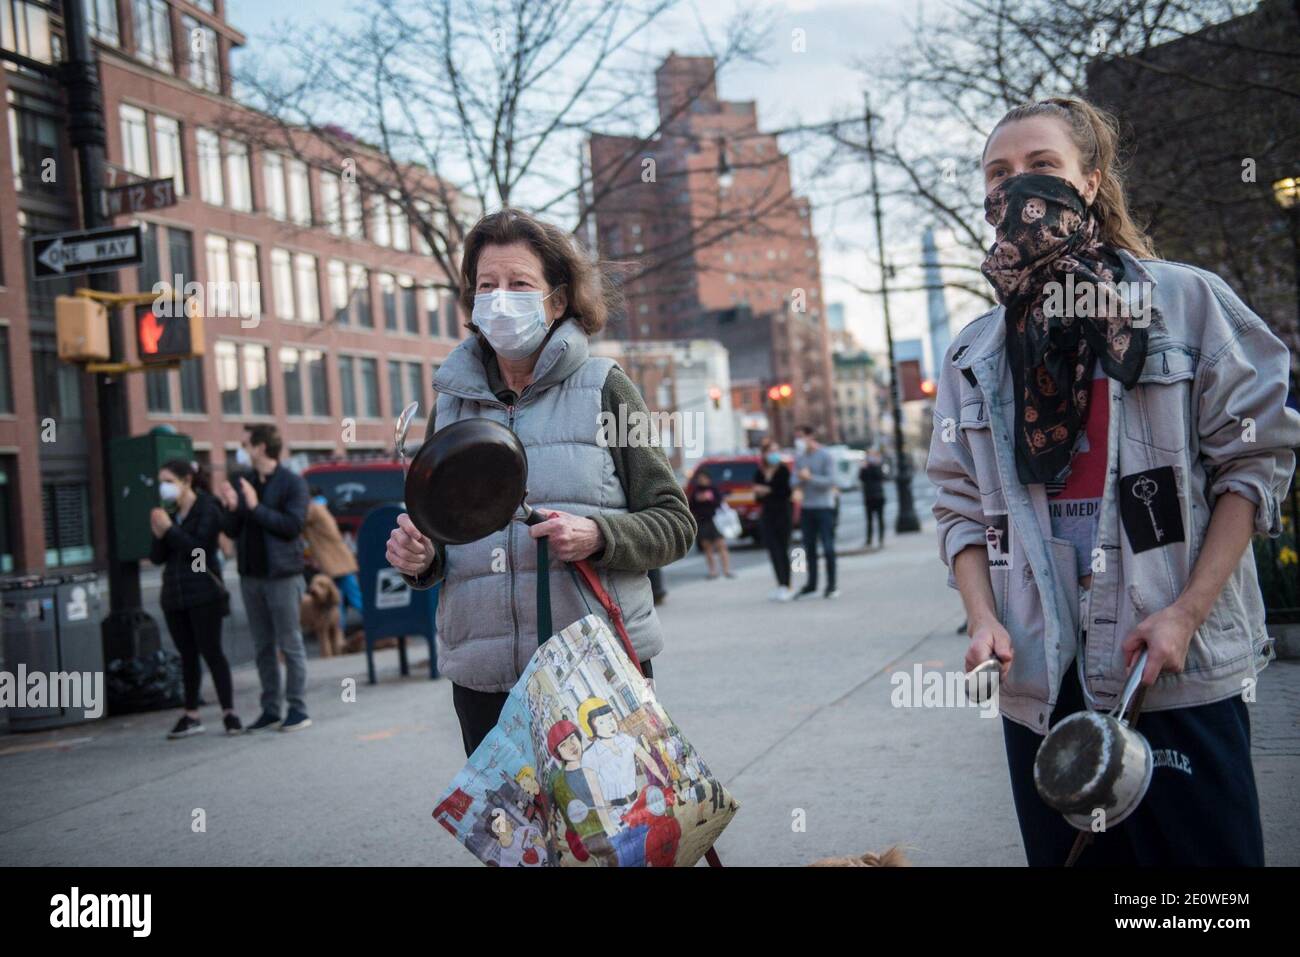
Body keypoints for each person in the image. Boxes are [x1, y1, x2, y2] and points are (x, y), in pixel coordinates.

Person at [927, 95, 1300, 866]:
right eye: (999, 175)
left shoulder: (1185, 303)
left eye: (1042, 167)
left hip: (1170, 667)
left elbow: (1252, 464)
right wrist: (982, 619)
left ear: (1089, 181)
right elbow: (958, 506)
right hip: (1043, 680)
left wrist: (1185, 616)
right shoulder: (976, 351)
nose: (1018, 188)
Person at [385, 208, 696, 757]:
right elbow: (443, 538)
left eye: (519, 283)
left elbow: (674, 523)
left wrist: (599, 535)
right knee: (517, 842)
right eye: (487, 285)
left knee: (605, 837)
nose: (500, 298)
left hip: (592, 674)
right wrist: (421, 557)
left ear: (556, 300)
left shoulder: (606, 389)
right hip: (484, 680)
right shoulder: (451, 404)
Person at [217, 424, 312, 733]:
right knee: (262, 646)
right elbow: (232, 530)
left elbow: (292, 526)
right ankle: (270, 709)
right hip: (251, 575)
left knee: (290, 643)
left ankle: (297, 708)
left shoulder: (292, 483)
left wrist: (255, 507)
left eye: (245, 444)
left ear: (260, 447)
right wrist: (231, 508)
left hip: (282, 575)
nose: (240, 450)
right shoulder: (242, 481)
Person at [149, 459, 241, 738]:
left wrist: (170, 531)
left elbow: (199, 553)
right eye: (161, 482)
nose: (163, 487)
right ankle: (191, 714)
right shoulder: (169, 511)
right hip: (174, 595)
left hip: (203, 592)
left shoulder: (207, 507)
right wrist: (158, 534)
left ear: (187, 480)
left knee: (212, 651)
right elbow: (157, 557)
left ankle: (229, 712)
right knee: (187, 655)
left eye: (168, 481)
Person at [792, 425, 839, 599]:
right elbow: (793, 480)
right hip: (807, 508)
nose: (799, 441)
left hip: (825, 507)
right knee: (809, 548)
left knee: (828, 547)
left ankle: (832, 585)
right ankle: (811, 584)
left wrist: (809, 477)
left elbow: (831, 481)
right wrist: (799, 479)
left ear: (811, 437)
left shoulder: (825, 456)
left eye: (801, 437)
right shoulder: (799, 458)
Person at [304, 488, 361, 616]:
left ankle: (375, 626)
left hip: (333, 560)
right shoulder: (321, 508)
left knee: (348, 598)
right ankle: (341, 629)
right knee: (343, 598)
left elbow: (297, 522)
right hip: (339, 559)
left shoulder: (313, 510)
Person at [753, 437, 793, 601]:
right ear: (764, 454)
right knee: (773, 550)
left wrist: (767, 490)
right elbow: (757, 497)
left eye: (776, 451)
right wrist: (761, 492)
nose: (773, 454)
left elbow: (786, 493)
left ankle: (787, 584)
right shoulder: (760, 472)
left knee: (783, 550)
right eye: (770, 451)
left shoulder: (783, 470)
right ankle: (780, 584)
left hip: (783, 513)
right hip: (767, 515)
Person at [687, 470, 734, 580]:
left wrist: (709, 498)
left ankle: (727, 570)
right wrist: (698, 499)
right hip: (702, 521)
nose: (701, 480)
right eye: (699, 478)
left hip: (716, 521)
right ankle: (713, 571)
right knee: (707, 547)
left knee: (721, 545)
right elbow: (691, 506)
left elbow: (720, 502)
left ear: (708, 479)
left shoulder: (714, 489)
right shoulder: (695, 492)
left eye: (703, 478)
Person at [859, 450, 887, 549]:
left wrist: (876, 465)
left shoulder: (878, 465)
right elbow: (861, 478)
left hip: (878, 496)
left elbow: (881, 477)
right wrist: (863, 468)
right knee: (869, 520)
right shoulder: (865, 467)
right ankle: (869, 540)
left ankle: (881, 539)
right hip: (868, 496)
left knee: (880, 518)